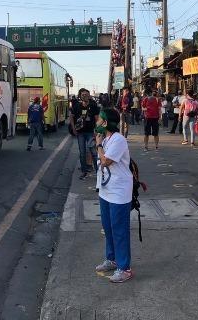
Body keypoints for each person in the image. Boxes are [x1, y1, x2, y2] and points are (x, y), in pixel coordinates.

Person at [93, 108, 134, 283]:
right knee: (108, 228)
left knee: (119, 230)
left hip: (118, 192)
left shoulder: (118, 139)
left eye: (100, 119)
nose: (97, 122)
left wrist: (98, 145)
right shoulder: (107, 138)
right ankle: (112, 259)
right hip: (106, 190)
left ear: (106, 122)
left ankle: (124, 268)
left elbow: (106, 161)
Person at [70, 88, 100, 179]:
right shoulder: (76, 106)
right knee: (82, 153)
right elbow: (71, 117)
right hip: (80, 133)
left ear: (89, 96)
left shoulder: (93, 106)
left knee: (94, 152)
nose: (85, 96)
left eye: (86, 94)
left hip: (91, 132)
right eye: (83, 95)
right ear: (80, 96)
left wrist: (97, 130)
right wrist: (73, 128)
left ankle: (98, 172)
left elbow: (97, 119)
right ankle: (84, 171)